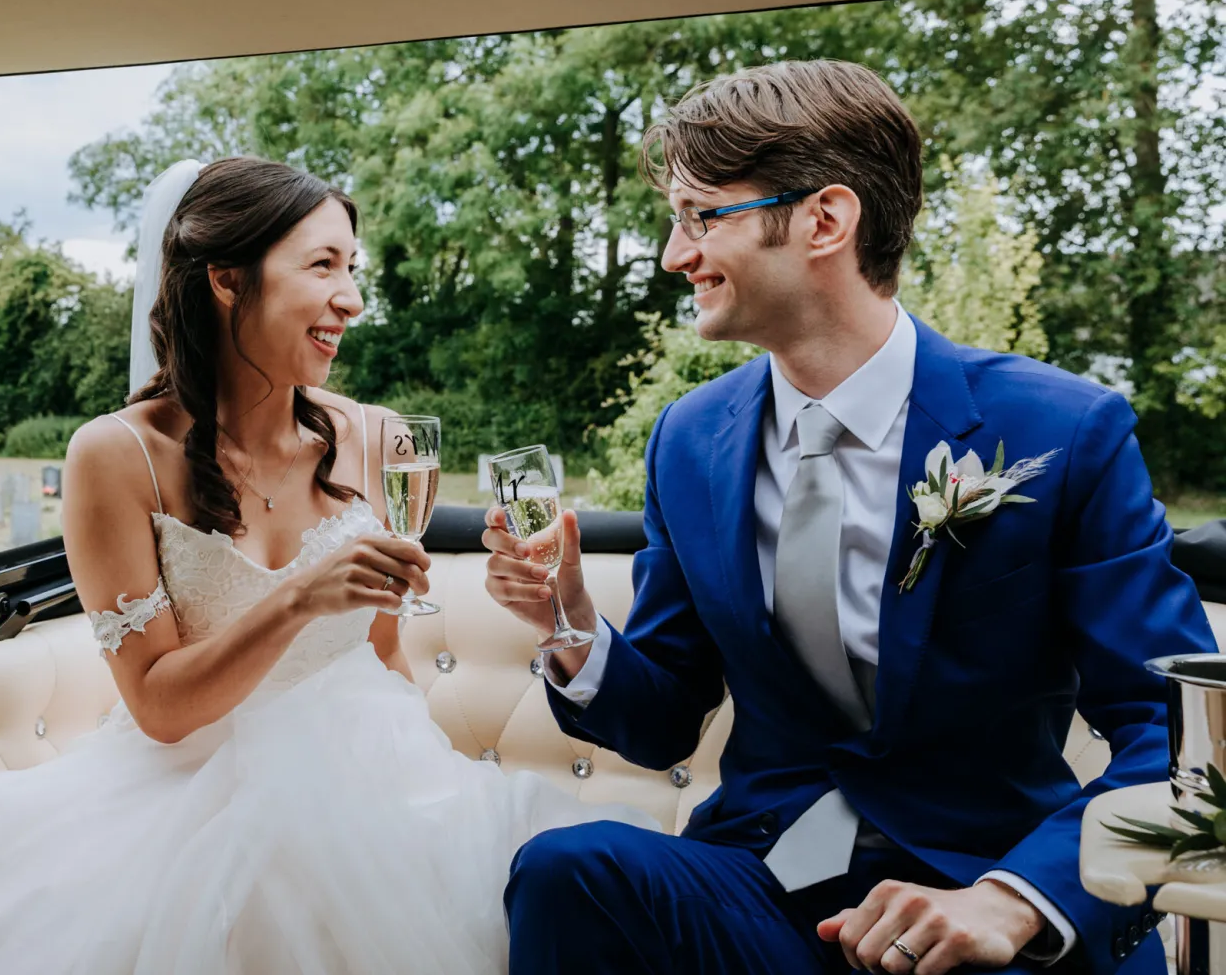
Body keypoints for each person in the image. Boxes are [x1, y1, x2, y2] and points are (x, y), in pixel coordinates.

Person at [0, 156, 648, 975]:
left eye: (354, 270)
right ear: (227, 278)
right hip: (183, 791)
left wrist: (421, 793)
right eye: (322, 266)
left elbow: (387, 654)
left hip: (384, 775)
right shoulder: (116, 454)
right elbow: (161, 707)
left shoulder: (381, 437)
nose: (350, 299)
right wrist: (296, 602)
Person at [485, 59, 1215, 975]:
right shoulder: (689, 438)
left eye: (700, 217)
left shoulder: (1064, 430)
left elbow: (1174, 734)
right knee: (569, 871)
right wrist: (571, 623)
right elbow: (666, 717)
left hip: (986, 893)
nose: (675, 256)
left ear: (825, 221)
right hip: (771, 881)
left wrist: (1014, 901)